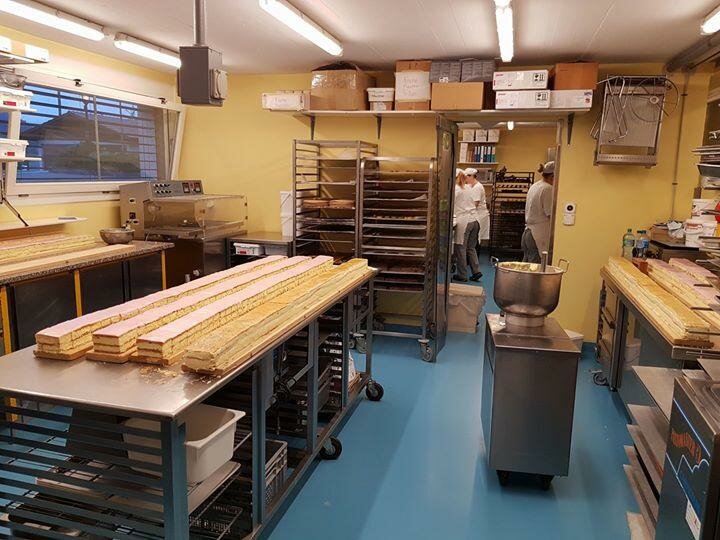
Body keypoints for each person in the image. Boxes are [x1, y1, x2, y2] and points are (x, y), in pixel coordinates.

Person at [522, 160, 555, 263]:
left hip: (528, 233)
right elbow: (550, 215)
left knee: (526, 266)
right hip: (538, 235)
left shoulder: (535, 186)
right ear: (553, 176)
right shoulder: (548, 189)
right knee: (535, 267)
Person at [453, 169, 483, 282]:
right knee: (471, 248)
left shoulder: (456, 189)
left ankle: (462, 275)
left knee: (460, 248)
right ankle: (476, 271)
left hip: (465, 222)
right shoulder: (468, 188)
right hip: (475, 220)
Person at [464, 168, 490, 263]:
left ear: (472, 176)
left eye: (466, 177)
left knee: (475, 239)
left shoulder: (477, 187)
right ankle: (471, 259)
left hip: (479, 216)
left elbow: (474, 204)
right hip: (476, 215)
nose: (465, 180)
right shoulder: (471, 186)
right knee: (474, 238)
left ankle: (473, 260)